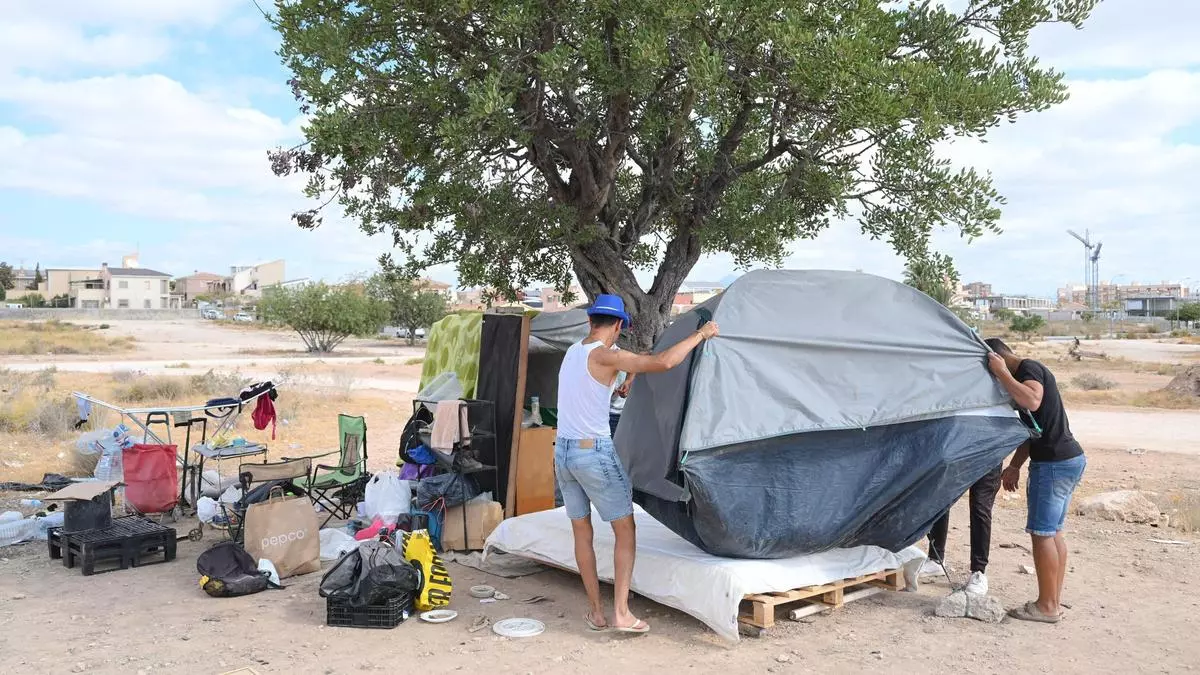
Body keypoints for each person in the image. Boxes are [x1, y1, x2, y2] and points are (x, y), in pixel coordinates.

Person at [556, 294, 718, 634]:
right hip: (593, 453)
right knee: (625, 530)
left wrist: (619, 387)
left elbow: (588, 392)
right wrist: (701, 335)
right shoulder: (607, 354)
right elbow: (663, 362)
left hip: (564, 454)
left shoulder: (574, 353)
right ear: (617, 325)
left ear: (590, 322)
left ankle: (597, 614)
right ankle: (622, 613)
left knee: (581, 532)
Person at [985, 338, 1087, 624]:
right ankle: (1052, 597)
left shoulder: (1028, 368)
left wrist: (1001, 372)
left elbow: (1032, 400)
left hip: (1054, 465)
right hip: (1067, 459)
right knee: (1053, 532)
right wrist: (1015, 465)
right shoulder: (1025, 376)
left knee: (1042, 533)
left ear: (998, 357)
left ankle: (1047, 607)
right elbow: (1034, 429)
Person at [921, 464, 1002, 595]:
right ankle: (935, 559)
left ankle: (979, 572)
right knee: (940, 499)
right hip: (958, 450)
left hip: (989, 454)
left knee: (980, 507)